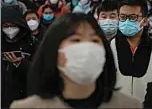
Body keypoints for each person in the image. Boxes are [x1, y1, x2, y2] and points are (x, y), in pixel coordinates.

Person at [10, 13, 141, 108]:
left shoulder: (129, 105)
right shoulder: (26, 107)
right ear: (54, 51)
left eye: (95, 40)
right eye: (76, 40)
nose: (87, 48)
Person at [110, 0, 152, 101]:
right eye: (123, 17)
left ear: (145, 21)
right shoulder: (108, 49)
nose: (127, 22)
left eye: (133, 17)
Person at [2, 5, 38, 108]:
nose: (9, 29)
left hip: (24, 98)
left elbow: (40, 73)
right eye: (5, 26)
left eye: (12, 25)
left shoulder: (32, 44)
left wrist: (21, 64)